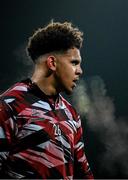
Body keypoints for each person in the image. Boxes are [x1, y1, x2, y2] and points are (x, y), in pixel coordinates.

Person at [0, 21, 94, 179]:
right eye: (74, 63)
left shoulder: (71, 113)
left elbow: (83, 173)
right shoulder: (8, 106)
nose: (80, 71)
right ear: (52, 63)